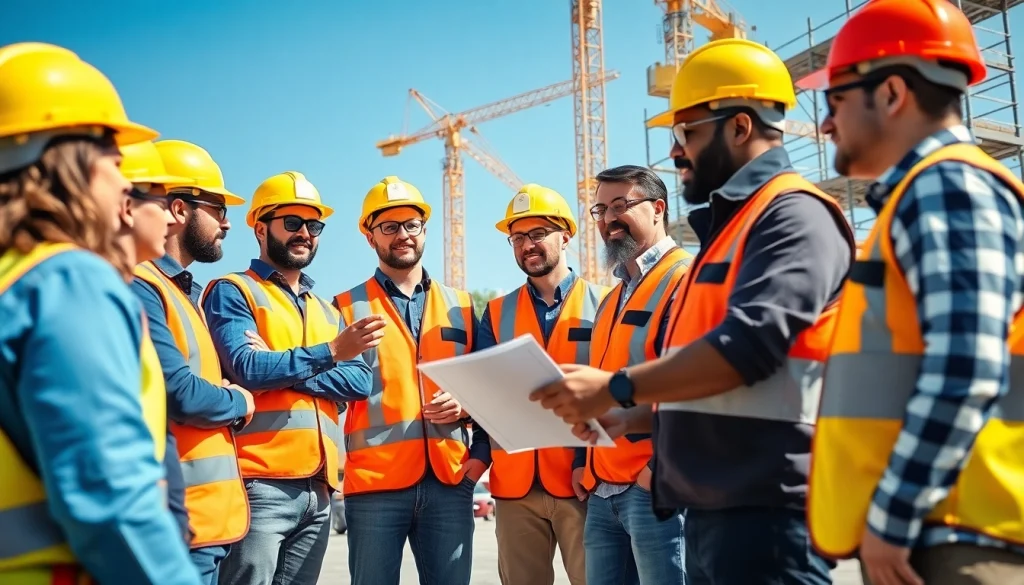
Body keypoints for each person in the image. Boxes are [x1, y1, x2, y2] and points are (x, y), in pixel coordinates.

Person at [533, 39, 856, 585]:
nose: (677, 152)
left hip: (771, 508)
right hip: (720, 505)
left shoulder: (794, 215)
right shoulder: (733, 232)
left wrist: (615, 389)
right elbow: (716, 383)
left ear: (740, 127)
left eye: (688, 134)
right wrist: (634, 418)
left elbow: (749, 349)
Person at [804, 1, 1024, 583]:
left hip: (959, 536)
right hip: (945, 527)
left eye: (835, 100)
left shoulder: (947, 186)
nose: (825, 123)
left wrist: (891, 520)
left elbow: (966, 366)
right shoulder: (928, 193)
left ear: (893, 93)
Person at [0, 41, 201, 584]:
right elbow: (108, 493)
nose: (123, 186)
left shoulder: (12, 278)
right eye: (116, 164)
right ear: (72, 162)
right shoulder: (67, 281)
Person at [203, 171, 374, 585]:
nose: (305, 234)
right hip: (259, 483)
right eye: (293, 223)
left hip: (319, 491)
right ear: (260, 228)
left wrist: (279, 369)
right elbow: (247, 367)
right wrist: (330, 354)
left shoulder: (326, 309)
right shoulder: (233, 291)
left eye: (313, 226)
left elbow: (359, 382)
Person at [334, 176, 485, 585]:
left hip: (450, 481)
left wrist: (466, 405)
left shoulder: (463, 307)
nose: (402, 235)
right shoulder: (343, 308)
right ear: (370, 237)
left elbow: (487, 384)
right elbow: (325, 384)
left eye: (411, 225)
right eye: (389, 227)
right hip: (375, 486)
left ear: (423, 230)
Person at [128, 138, 255, 584]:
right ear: (179, 210)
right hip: (182, 526)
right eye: (218, 208)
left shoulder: (185, 292)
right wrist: (237, 400)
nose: (226, 222)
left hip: (210, 522)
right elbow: (178, 391)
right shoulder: (143, 285)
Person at [477, 184, 607, 585]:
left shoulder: (604, 303)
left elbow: (612, 394)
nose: (526, 245)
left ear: (565, 235)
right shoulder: (496, 313)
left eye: (537, 234)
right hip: (515, 485)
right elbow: (485, 396)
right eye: (518, 238)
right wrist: (480, 452)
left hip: (582, 482)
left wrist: (588, 466)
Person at [575, 165, 691, 585]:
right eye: (600, 210)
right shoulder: (610, 299)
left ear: (658, 208)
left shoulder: (683, 278)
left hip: (651, 489)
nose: (608, 219)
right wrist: (585, 464)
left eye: (621, 205)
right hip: (603, 492)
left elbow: (692, 383)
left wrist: (659, 469)